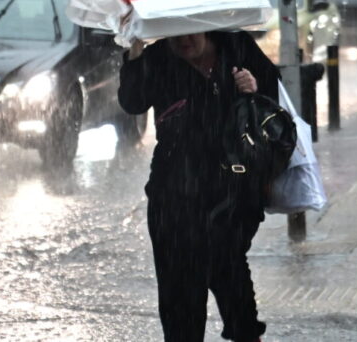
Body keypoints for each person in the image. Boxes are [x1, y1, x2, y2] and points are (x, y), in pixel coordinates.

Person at [118, 30, 279, 342]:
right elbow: (132, 102)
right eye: (175, 33)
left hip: (233, 189)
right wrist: (135, 50)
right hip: (174, 193)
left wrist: (254, 88)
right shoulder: (157, 58)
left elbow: (273, 100)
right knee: (180, 294)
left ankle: (246, 333)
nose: (183, 41)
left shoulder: (237, 46)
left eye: (190, 32)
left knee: (231, 275)